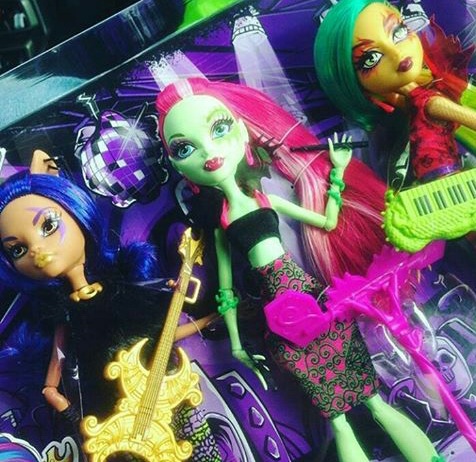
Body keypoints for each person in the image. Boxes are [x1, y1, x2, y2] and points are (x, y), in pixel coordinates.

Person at [155, 77, 442, 461]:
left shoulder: (266, 200)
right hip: (284, 325)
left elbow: (326, 222)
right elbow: (227, 292)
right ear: (176, 163)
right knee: (339, 419)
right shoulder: (221, 225)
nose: (208, 151)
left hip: (317, 303)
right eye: (184, 148)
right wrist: (237, 345)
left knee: (372, 399)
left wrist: (337, 173)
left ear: (241, 129)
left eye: (219, 129)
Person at [0, 150, 221, 461]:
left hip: (166, 398)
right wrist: (82, 422)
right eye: (18, 249)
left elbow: (162, 336)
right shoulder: (66, 316)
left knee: (203, 452)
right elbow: (50, 388)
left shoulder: (123, 288)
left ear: (75, 210)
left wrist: (209, 319)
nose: (37, 250)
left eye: (48, 225)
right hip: (116, 425)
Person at [314, 0, 476, 183]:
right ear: (350, 79)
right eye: (371, 58)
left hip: (446, 178)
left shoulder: (430, 102)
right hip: (436, 183)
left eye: (398, 32)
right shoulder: (413, 107)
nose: (397, 54)